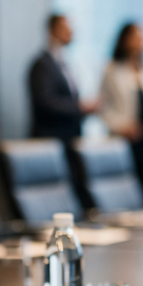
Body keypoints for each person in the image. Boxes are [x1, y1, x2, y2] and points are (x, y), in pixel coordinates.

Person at [28, 13, 97, 210]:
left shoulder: (65, 64)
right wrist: (80, 107)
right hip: (50, 143)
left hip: (70, 142)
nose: (71, 33)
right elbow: (45, 103)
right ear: (53, 31)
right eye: (66, 28)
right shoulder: (41, 65)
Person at [98, 22, 143, 198]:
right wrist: (122, 127)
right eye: (136, 37)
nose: (140, 42)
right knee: (127, 191)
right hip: (126, 139)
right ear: (124, 40)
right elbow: (103, 108)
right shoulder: (112, 70)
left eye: (142, 37)